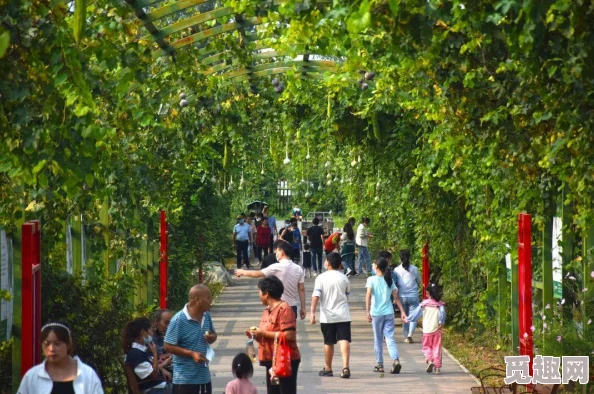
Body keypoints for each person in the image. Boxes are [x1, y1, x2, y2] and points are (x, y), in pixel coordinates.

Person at [245, 277, 301, 394]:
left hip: (285, 360)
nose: (258, 294)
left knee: (285, 390)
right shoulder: (267, 310)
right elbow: (269, 334)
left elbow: (289, 335)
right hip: (271, 359)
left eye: (259, 291)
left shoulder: (284, 309)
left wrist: (263, 333)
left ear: (267, 294)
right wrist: (255, 335)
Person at [17, 322, 104, 394]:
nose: (51, 349)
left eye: (57, 344)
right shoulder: (33, 376)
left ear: (68, 344)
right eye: (47, 344)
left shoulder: (87, 375)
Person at [164, 284, 217, 394]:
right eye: (208, 298)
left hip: (204, 377)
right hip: (185, 380)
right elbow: (167, 345)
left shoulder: (206, 316)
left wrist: (211, 337)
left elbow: (214, 335)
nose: (210, 300)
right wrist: (191, 353)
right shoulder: (179, 320)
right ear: (197, 299)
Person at [236, 240, 306, 321]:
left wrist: (242, 272)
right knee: (289, 331)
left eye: (277, 251)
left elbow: (256, 274)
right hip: (292, 307)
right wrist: (303, 307)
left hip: (276, 306)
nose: (276, 254)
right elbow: (301, 289)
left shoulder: (276, 267)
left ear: (282, 252)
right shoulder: (298, 269)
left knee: (274, 331)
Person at [310, 253, 352, 379]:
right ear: (340, 264)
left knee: (328, 342)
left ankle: (328, 368)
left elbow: (316, 296)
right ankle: (345, 367)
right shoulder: (344, 278)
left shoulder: (321, 278)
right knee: (344, 339)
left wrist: (312, 312)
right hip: (343, 314)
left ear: (327, 263)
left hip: (327, 316)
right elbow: (347, 294)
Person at [365, 258, 407, 375]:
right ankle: (396, 360)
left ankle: (380, 365)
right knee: (389, 337)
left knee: (378, 339)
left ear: (377, 266)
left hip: (376, 313)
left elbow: (368, 296)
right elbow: (396, 298)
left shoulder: (371, 280)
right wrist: (402, 312)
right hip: (389, 312)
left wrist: (367, 312)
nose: (373, 264)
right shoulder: (389, 280)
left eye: (374, 263)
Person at [404, 283, 446, 375]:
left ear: (427, 293)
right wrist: (441, 323)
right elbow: (442, 316)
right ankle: (437, 367)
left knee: (426, 347)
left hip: (427, 330)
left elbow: (415, 314)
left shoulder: (424, 304)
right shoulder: (440, 305)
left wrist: (407, 319)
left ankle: (430, 360)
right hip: (437, 330)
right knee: (436, 348)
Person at [123, 317, 170, 393]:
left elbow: (150, 367)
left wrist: (162, 367)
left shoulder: (141, 350)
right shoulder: (134, 354)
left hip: (160, 386)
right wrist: (155, 354)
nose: (152, 333)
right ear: (143, 332)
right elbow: (153, 374)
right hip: (155, 389)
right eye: (151, 329)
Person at [393, 249, 421, 343]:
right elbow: (418, 281)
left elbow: (395, 283)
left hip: (402, 296)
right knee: (413, 316)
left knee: (404, 315)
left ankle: (406, 336)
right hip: (413, 295)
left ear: (400, 258)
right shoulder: (414, 269)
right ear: (410, 257)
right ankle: (410, 334)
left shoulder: (396, 270)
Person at [152, 309, 174, 373]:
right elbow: (160, 357)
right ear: (157, 322)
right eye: (166, 322)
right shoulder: (151, 338)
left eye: (171, 323)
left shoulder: (174, 336)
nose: (169, 326)